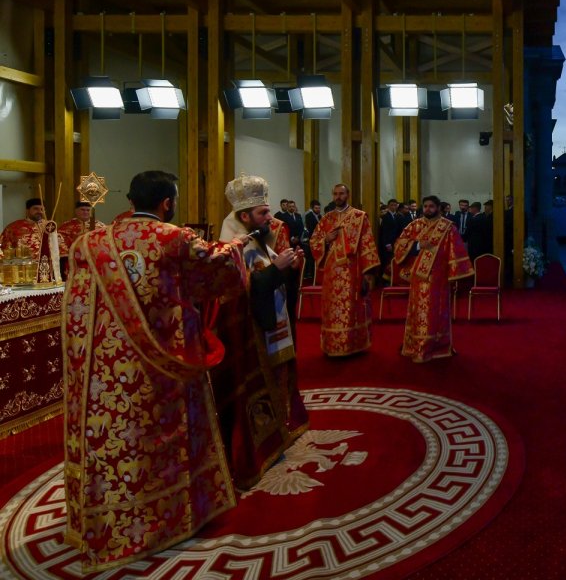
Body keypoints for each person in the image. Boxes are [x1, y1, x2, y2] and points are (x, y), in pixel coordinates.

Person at [61, 170, 251, 572]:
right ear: (167, 203)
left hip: (105, 372)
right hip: (164, 365)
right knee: (164, 437)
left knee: (118, 442)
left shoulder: (88, 243)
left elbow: (76, 314)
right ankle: (171, 517)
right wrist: (237, 247)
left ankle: (107, 524)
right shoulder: (173, 237)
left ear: (130, 201)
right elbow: (216, 273)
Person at [212, 174, 308, 489]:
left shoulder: (256, 236)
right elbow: (244, 291)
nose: (270, 217)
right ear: (244, 216)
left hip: (270, 324)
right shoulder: (233, 245)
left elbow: (268, 278)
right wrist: (276, 270)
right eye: (263, 213)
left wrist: (289, 269)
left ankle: (280, 428)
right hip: (249, 334)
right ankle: (260, 444)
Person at [391, 195, 474, 363]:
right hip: (417, 279)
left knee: (435, 313)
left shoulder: (448, 227)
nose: (428, 209)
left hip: (438, 279)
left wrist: (454, 275)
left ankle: (436, 346)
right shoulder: (414, 226)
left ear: (438, 208)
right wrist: (417, 245)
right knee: (418, 313)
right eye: (426, 206)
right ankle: (415, 344)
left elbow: (456, 251)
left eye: (431, 206)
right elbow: (399, 245)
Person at [309, 183, 379, 356]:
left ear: (348, 195)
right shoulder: (327, 219)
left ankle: (352, 345)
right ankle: (333, 345)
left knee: (351, 308)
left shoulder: (359, 217)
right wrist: (326, 240)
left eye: (341, 193)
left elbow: (367, 244)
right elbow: (313, 241)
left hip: (352, 271)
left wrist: (367, 274)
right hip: (332, 275)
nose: (338, 197)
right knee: (333, 310)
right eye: (335, 194)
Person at [57, 201, 105, 275]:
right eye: (82, 210)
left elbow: (105, 242)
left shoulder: (101, 227)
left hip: (94, 259)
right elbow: (60, 242)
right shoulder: (66, 226)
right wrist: (70, 253)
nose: (85, 212)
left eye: (88, 210)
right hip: (73, 260)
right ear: (76, 211)